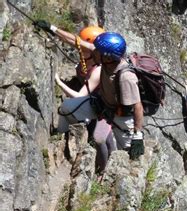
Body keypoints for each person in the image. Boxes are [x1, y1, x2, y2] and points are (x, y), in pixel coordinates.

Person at [57, 32, 144, 173]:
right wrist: (52, 28)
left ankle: (114, 178)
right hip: (104, 109)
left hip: (123, 118)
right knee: (68, 108)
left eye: (98, 50)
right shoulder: (104, 59)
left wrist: (138, 135)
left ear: (108, 56)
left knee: (132, 158)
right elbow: (78, 43)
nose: (94, 52)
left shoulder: (126, 77)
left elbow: (137, 106)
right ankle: (101, 171)